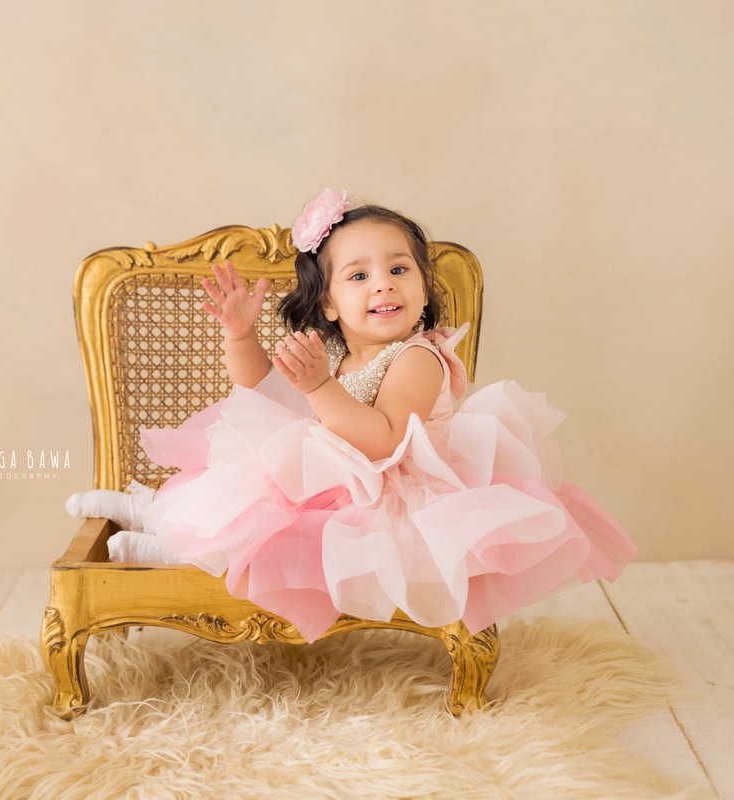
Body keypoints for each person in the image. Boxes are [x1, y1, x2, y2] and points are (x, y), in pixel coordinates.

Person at [65, 187, 637, 643]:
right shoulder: (336, 353)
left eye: (399, 269)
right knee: (239, 471)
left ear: (422, 285)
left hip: (379, 497)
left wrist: (319, 389)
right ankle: (148, 508)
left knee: (275, 534)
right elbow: (264, 391)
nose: (383, 284)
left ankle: (162, 552)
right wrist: (242, 336)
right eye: (359, 275)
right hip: (328, 476)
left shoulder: (417, 358)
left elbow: (382, 440)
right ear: (330, 303)